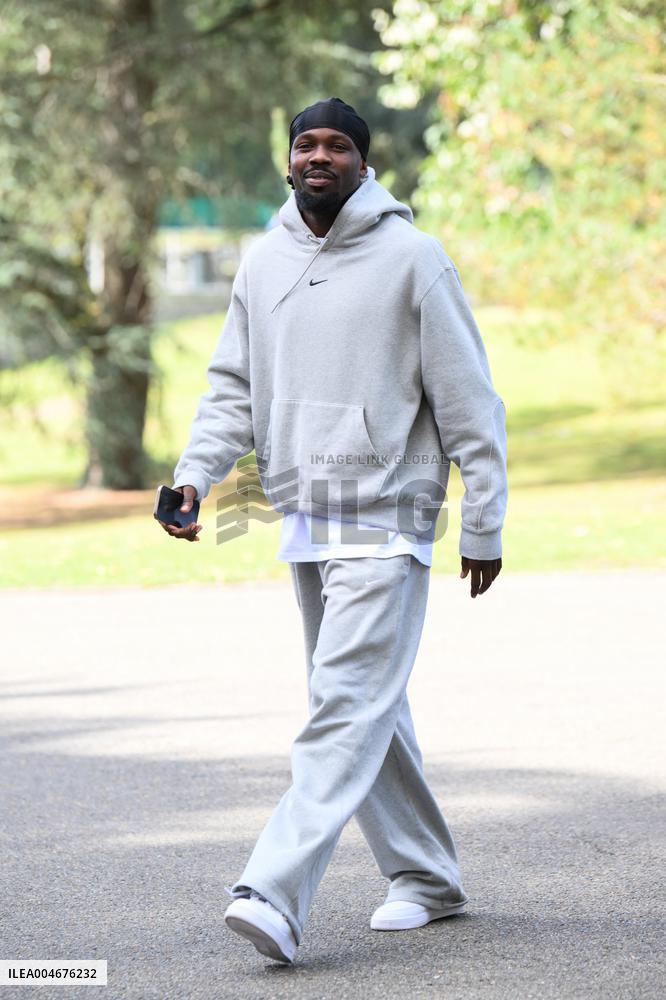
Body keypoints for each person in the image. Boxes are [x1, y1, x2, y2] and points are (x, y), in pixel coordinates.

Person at [158, 97, 508, 965]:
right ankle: (427, 876)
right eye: (306, 144)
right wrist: (195, 476)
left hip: (390, 516)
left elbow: (470, 402)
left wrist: (484, 522)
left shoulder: (414, 259)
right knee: (364, 703)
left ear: (363, 163)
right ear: (287, 162)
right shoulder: (263, 261)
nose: (320, 156)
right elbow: (233, 387)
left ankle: (273, 891)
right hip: (305, 518)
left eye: (338, 146)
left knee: (344, 703)